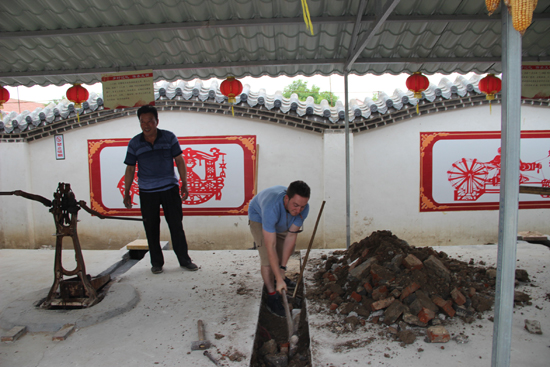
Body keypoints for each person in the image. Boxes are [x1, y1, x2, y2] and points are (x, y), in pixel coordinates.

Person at [123, 105, 198, 274]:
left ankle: (185, 260)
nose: (146, 125)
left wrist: (184, 183)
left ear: (157, 121)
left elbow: (179, 160)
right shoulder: (134, 143)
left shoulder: (169, 137)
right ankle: (156, 263)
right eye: (142, 122)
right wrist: (127, 192)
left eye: (150, 121)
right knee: (151, 228)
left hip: (169, 189)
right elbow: (129, 169)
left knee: (176, 226)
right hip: (147, 192)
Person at [248, 181, 310, 317]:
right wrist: (278, 276)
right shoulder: (271, 207)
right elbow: (270, 246)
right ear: (287, 198)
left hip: (281, 219)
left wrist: (282, 269)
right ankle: (271, 296)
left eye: (302, 206)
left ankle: (279, 278)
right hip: (259, 217)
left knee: (286, 251)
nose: (298, 210)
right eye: (295, 205)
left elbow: (291, 236)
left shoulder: (303, 209)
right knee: (267, 261)